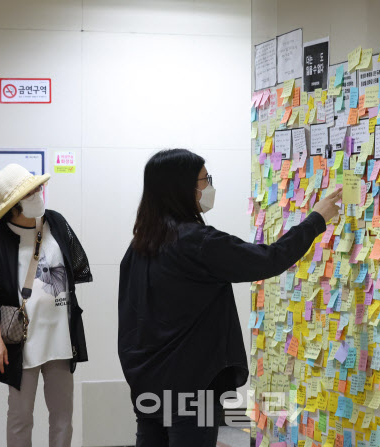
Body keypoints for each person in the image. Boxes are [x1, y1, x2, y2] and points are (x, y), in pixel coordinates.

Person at [118, 149, 342, 446]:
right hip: (192, 387)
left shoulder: (138, 247)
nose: (208, 187)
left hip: (147, 384)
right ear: (182, 188)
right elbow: (268, 259)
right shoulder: (196, 242)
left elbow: (129, 321)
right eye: (204, 179)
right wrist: (316, 219)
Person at [0, 163, 92, 447]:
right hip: (21, 341)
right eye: (31, 192)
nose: (39, 193)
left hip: (61, 338)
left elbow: (77, 266)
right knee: (20, 416)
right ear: (13, 205)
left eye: (38, 187)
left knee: (63, 416)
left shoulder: (57, 223)